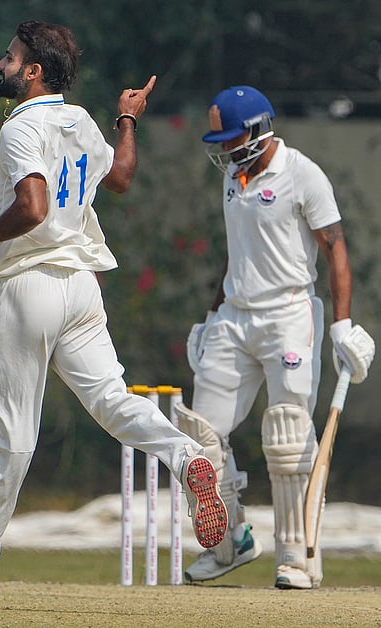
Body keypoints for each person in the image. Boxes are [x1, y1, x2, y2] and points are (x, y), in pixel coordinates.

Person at [0, 21, 227, 600]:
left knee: (11, 438)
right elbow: (121, 177)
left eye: (9, 58)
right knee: (112, 401)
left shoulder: (20, 128)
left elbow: (32, 208)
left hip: (29, 286)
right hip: (82, 287)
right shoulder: (81, 120)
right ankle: (185, 457)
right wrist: (127, 117)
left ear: (33, 72)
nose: (0, 65)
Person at [175, 85, 375, 589]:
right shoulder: (234, 178)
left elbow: (335, 249)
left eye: (230, 137)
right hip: (234, 317)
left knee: (288, 436)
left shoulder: (303, 174)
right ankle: (229, 544)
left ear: (260, 129)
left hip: (288, 313)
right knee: (200, 438)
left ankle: (297, 557)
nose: (223, 148)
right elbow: (237, 249)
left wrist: (342, 323)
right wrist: (211, 313)